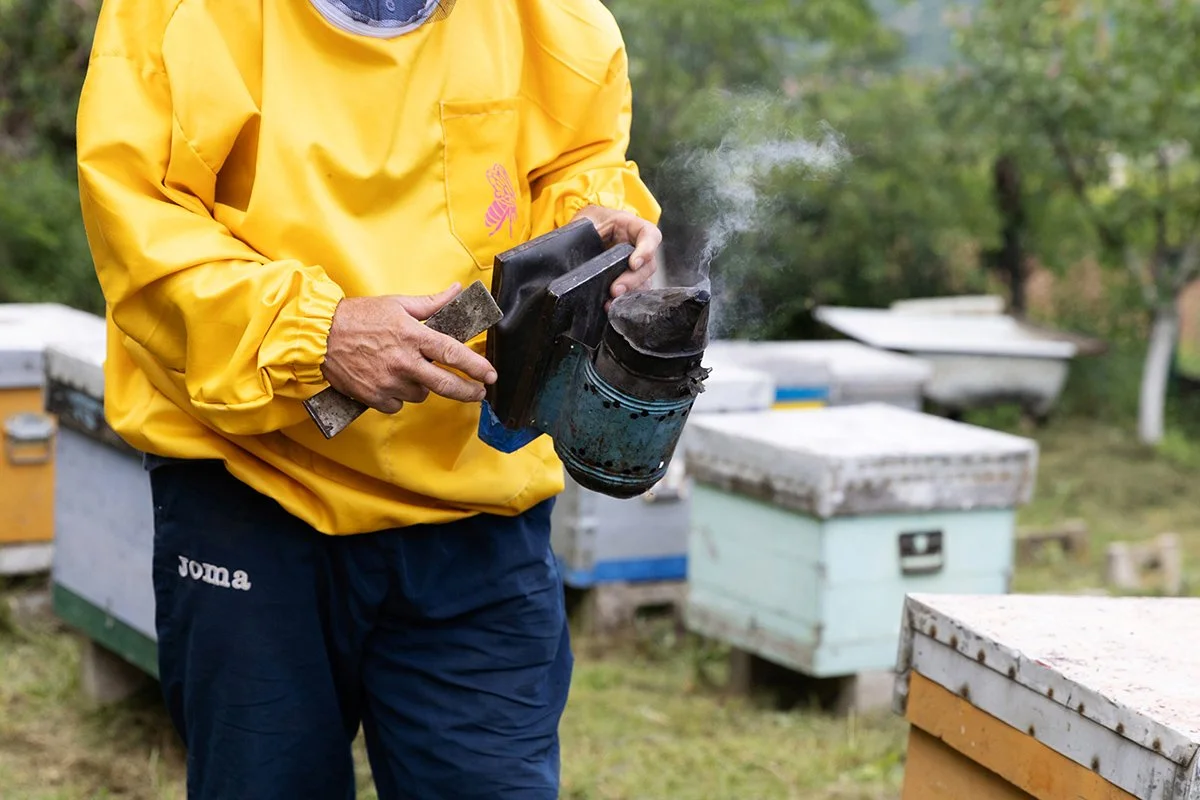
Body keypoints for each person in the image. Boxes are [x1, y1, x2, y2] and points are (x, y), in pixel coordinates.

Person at [75, 1, 662, 797]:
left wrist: (595, 234)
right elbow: (140, 223)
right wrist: (318, 334)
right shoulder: (179, 14)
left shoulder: (553, 19)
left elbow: (575, 163)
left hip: (475, 504)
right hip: (253, 488)